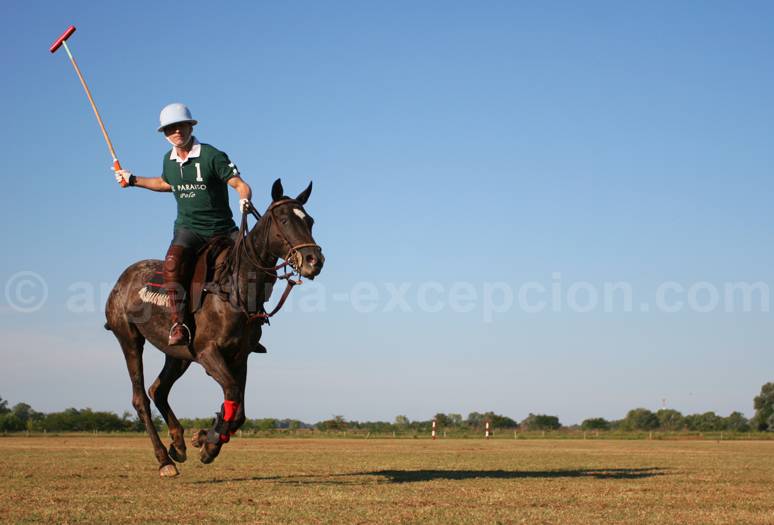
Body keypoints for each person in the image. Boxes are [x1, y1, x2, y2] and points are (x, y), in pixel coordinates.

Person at [115, 103, 252, 346]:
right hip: (189, 229)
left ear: (190, 126)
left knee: (250, 264)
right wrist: (133, 179)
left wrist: (244, 200)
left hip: (222, 229)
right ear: (164, 134)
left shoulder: (212, 155)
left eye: (180, 126)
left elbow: (240, 185)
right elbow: (165, 183)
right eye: (169, 129)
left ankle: (252, 322)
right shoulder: (168, 160)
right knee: (172, 263)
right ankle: (179, 324)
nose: (176, 131)